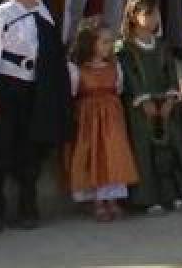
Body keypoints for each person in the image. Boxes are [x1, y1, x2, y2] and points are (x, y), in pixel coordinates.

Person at [0, 0, 71, 231]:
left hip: (36, 90)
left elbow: (54, 57)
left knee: (31, 148)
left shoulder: (48, 15)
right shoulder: (2, 15)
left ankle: (28, 206)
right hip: (6, 87)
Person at [116, 0, 182, 213]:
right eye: (148, 14)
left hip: (166, 104)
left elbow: (171, 74)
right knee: (145, 149)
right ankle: (149, 198)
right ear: (134, 16)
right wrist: (143, 100)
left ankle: (177, 193)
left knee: (174, 146)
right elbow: (130, 76)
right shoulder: (125, 48)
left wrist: (171, 99)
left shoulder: (162, 46)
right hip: (140, 108)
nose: (154, 19)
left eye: (156, 14)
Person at [66, 23, 139, 222]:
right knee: (93, 155)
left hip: (112, 118)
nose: (109, 46)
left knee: (112, 154)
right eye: (104, 42)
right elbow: (73, 92)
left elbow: (119, 88)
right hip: (88, 119)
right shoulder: (77, 69)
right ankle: (97, 200)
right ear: (90, 43)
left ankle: (112, 198)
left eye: (110, 41)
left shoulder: (114, 67)